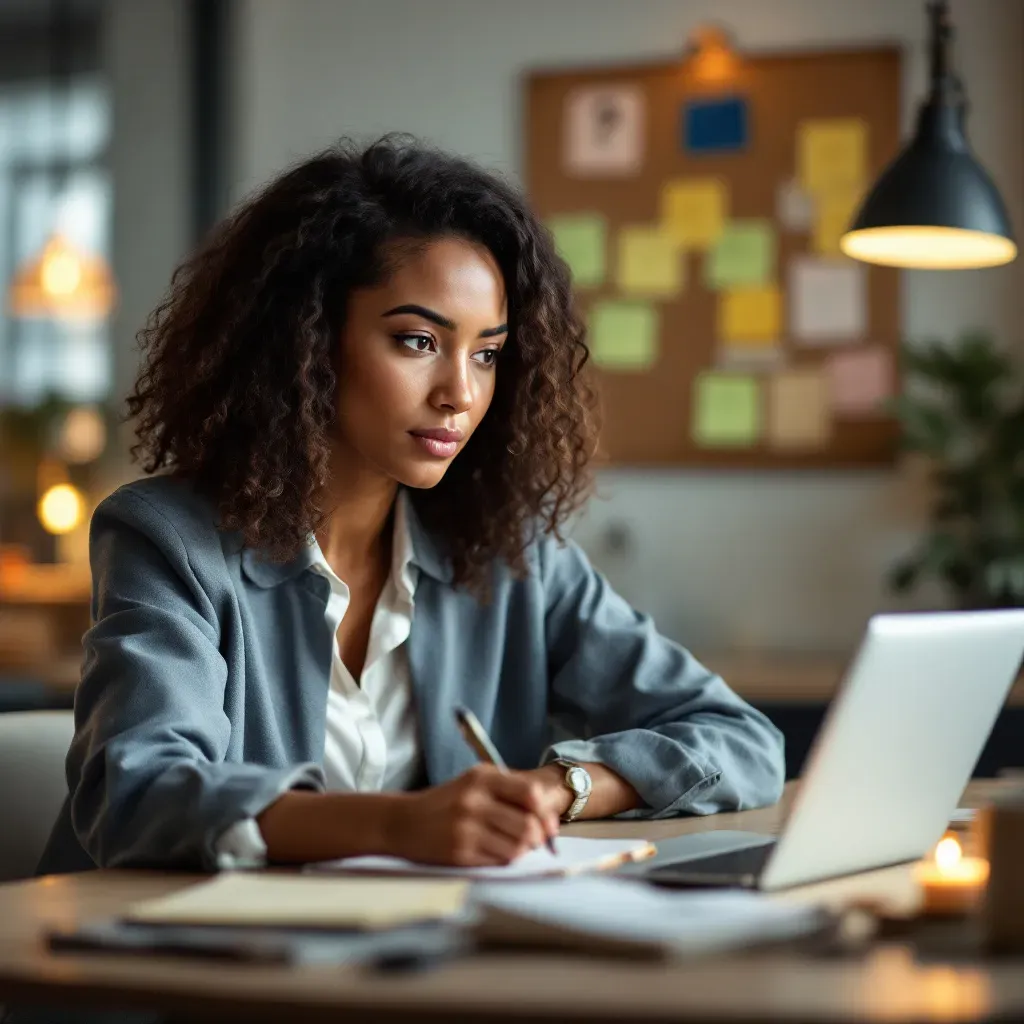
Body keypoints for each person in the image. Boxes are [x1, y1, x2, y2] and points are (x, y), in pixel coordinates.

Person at [38, 136, 784, 875]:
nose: (460, 392)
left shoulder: (509, 553)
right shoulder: (168, 540)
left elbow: (742, 740)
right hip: (176, 971)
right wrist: (400, 824)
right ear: (304, 339)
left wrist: (562, 788)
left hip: (404, 966)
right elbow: (136, 792)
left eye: (487, 353)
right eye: (418, 340)